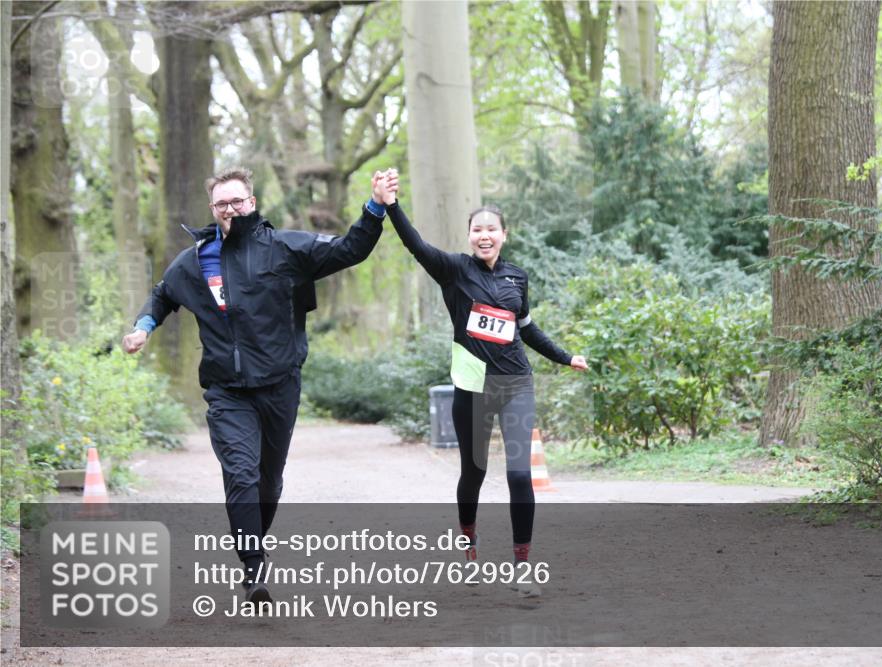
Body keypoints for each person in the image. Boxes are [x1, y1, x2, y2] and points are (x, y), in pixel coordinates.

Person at [122, 167, 388, 604]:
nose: (230, 209)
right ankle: (253, 566)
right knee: (240, 474)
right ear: (213, 209)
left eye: (237, 201)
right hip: (227, 390)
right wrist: (142, 328)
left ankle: (255, 544)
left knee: (269, 481)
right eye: (221, 203)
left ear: (252, 202)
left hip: (280, 383)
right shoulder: (196, 259)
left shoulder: (285, 247)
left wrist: (375, 206)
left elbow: (349, 250)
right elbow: (163, 294)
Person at [373, 169, 588, 598]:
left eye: (492, 229)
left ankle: (522, 568)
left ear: (504, 235)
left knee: (518, 473)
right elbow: (416, 245)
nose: (484, 235)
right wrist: (391, 206)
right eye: (477, 229)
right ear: (469, 235)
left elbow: (525, 328)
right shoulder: (453, 270)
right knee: (473, 472)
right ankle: (469, 554)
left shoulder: (517, 278)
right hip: (471, 386)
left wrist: (565, 356)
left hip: (515, 383)